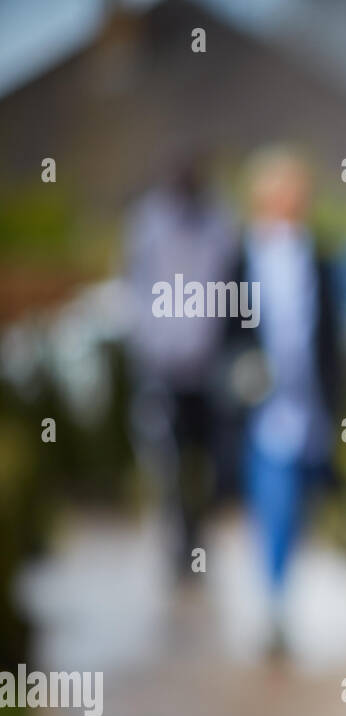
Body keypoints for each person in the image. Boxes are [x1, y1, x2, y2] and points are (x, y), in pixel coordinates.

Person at [224, 146, 341, 658]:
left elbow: (332, 337)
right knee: (273, 499)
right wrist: (246, 368)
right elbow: (226, 331)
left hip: (308, 409)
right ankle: (273, 603)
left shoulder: (317, 254)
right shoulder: (242, 256)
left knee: (298, 508)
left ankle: (280, 591)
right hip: (260, 408)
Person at [123, 150, 238, 577]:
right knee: (166, 460)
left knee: (206, 461)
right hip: (162, 368)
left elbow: (233, 286)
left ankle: (198, 538)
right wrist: (149, 344)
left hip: (207, 371)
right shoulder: (147, 224)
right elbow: (135, 287)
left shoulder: (220, 223)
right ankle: (178, 543)